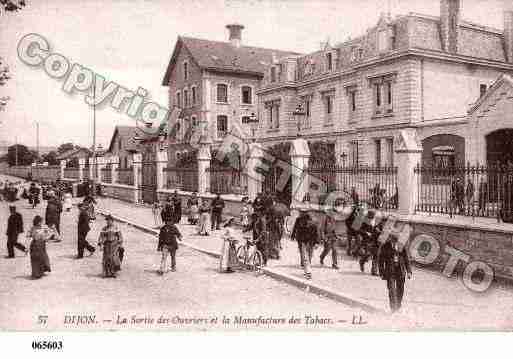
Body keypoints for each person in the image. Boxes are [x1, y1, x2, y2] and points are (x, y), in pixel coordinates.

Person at [378, 235, 413, 313]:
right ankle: (393, 308)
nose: (394, 242)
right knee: (392, 290)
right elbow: (380, 260)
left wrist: (409, 271)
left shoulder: (402, 246)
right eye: (393, 240)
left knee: (400, 290)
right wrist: (381, 272)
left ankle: (398, 306)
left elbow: (406, 259)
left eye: (396, 240)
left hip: (400, 271)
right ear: (390, 239)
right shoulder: (385, 246)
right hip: (390, 271)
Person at [291, 208, 319, 280]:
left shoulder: (312, 222)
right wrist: (293, 235)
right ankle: (308, 271)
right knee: (305, 256)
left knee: (309, 256)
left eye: (303, 212)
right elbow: (295, 228)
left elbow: (316, 233)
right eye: (301, 212)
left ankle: (306, 267)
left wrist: (317, 242)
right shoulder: (299, 220)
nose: (301, 213)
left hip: (310, 242)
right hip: (303, 241)